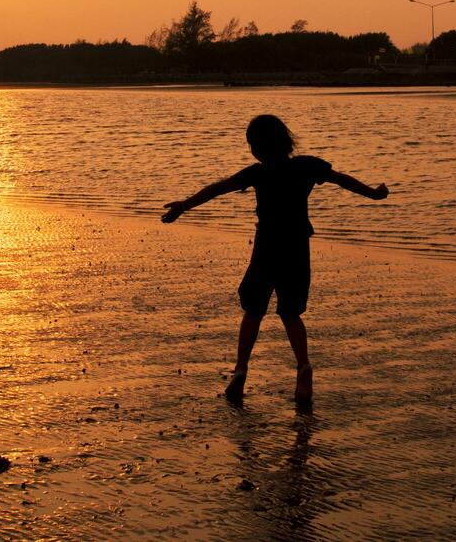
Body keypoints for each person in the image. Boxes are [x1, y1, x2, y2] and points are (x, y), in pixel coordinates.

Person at [162, 114, 389, 404]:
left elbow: (219, 188)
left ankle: (241, 370)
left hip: (267, 247)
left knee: (253, 311)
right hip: (295, 247)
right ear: (286, 141)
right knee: (290, 313)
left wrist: (184, 205)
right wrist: (373, 193)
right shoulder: (306, 166)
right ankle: (303, 367)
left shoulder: (258, 172)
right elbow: (341, 180)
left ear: (256, 148)